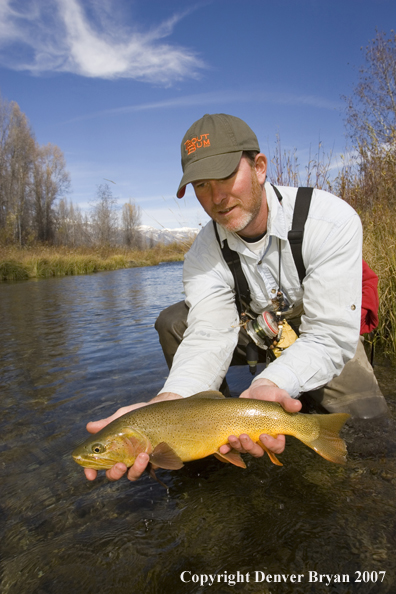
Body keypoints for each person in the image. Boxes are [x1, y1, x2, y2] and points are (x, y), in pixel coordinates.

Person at [83, 113, 388, 484]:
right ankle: (213, 437)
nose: (216, 198)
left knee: (370, 431)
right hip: (256, 329)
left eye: (226, 176)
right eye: (201, 185)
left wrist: (270, 385)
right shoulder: (202, 253)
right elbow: (210, 333)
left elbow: (328, 335)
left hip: (319, 333)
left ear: (259, 167)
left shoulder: (329, 220)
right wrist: (171, 400)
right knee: (173, 321)